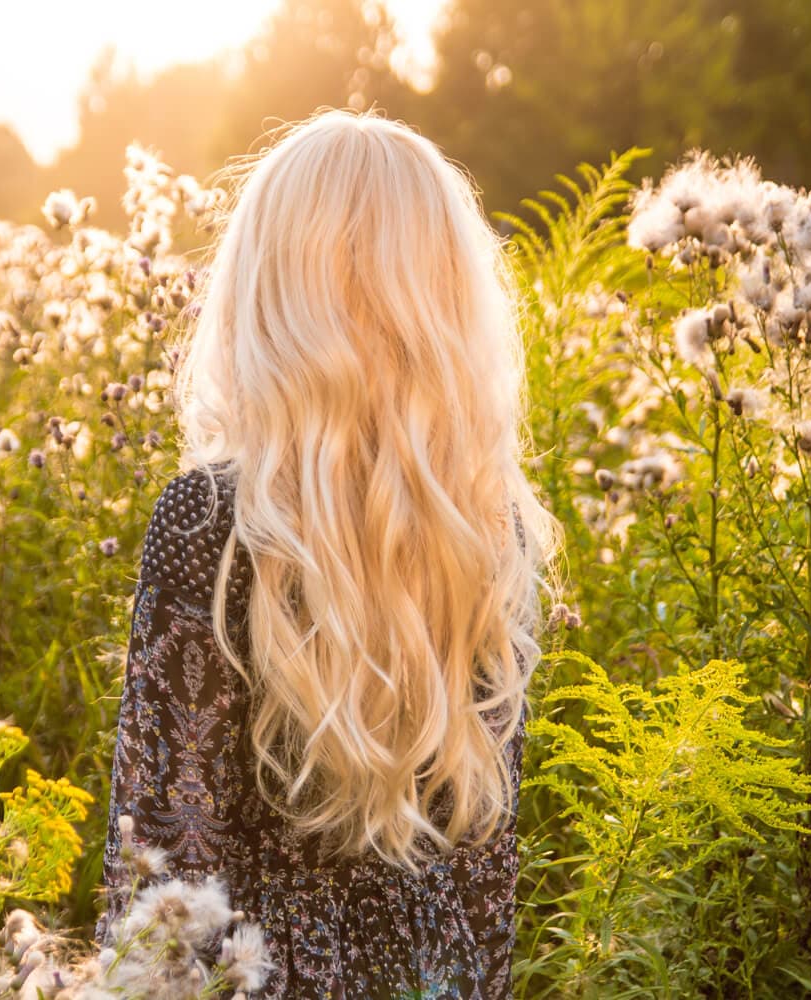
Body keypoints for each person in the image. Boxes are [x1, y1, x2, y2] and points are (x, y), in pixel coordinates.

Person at [98, 108, 560, 999]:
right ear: (446, 298)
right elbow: (486, 877)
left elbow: (162, 862)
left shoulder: (210, 523)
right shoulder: (480, 526)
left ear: (268, 290)